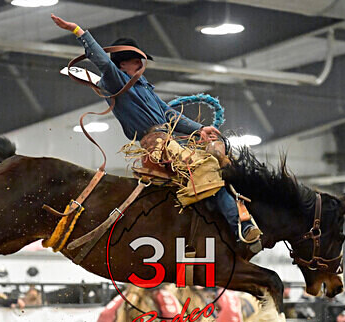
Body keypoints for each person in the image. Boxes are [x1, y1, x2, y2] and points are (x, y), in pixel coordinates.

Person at [49, 13, 261, 245]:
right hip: (158, 145)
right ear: (123, 63)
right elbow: (103, 62)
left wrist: (200, 128)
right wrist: (79, 31)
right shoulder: (114, 80)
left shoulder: (143, 86)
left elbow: (169, 114)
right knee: (205, 167)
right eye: (135, 60)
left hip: (169, 141)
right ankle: (240, 225)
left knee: (220, 161)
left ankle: (220, 225)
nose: (140, 64)